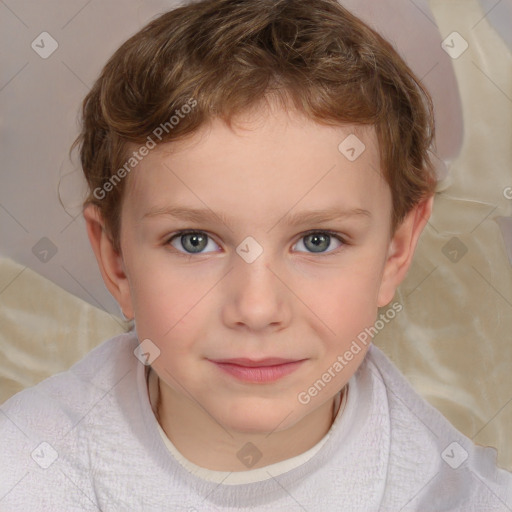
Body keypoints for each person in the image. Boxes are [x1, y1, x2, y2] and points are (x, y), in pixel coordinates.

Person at [1, 0, 511, 510]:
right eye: (194, 241)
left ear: (396, 252)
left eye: (318, 240)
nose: (257, 308)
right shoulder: (24, 472)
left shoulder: (458, 495)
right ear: (116, 261)